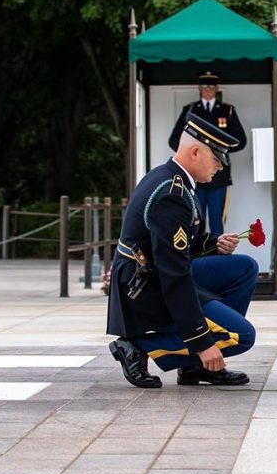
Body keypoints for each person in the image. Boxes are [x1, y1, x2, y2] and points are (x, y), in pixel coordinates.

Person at [107, 113, 258, 388]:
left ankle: (194, 369)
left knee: (245, 268)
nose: (220, 168)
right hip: (144, 287)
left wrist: (214, 242)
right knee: (242, 336)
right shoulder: (171, 193)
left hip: (155, 273)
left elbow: (182, 242)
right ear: (195, 151)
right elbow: (174, 273)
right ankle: (139, 347)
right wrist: (202, 340)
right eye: (216, 160)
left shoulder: (175, 180)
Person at [168, 70, 247, 235]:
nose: (208, 88)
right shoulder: (190, 110)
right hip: (195, 175)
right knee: (197, 220)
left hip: (218, 175)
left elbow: (241, 140)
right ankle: (198, 259)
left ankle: (218, 260)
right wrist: (192, 154)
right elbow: (175, 139)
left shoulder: (227, 111)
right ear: (199, 87)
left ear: (217, 87)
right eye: (205, 85)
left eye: (211, 85)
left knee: (217, 222)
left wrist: (219, 151)